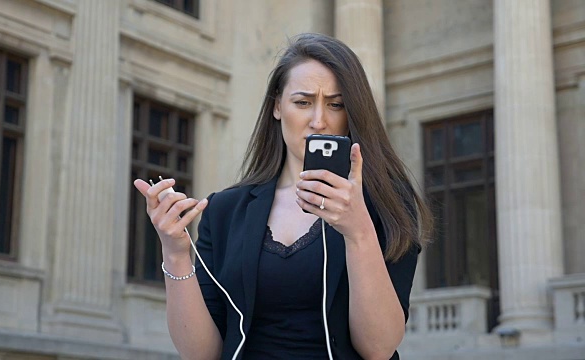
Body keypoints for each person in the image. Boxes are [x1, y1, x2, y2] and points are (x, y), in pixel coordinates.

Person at [133, 33, 432, 360]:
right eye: (302, 102)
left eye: (336, 104)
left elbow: (379, 347)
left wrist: (359, 231)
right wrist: (175, 253)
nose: (319, 121)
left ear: (353, 113)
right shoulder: (226, 210)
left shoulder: (386, 201)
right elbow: (201, 353)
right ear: (277, 106)